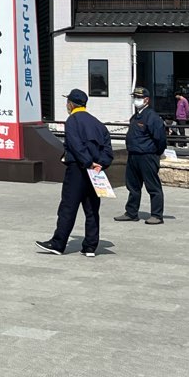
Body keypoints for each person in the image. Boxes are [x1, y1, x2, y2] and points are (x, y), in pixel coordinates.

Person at [37, 88, 114, 257]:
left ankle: (58, 244)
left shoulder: (72, 121)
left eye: (67, 102)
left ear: (71, 104)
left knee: (68, 207)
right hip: (96, 173)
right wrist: (100, 164)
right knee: (92, 209)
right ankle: (90, 246)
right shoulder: (98, 124)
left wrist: (88, 162)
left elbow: (75, 145)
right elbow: (108, 149)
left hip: (78, 170)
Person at [114, 87, 167, 225]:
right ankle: (131, 212)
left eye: (139, 98)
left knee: (153, 187)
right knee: (133, 186)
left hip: (147, 156)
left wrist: (156, 153)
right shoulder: (136, 116)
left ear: (146, 100)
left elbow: (160, 139)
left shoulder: (152, 117)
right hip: (133, 155)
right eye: (135, 97)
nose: (136, 100)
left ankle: (156, 215)